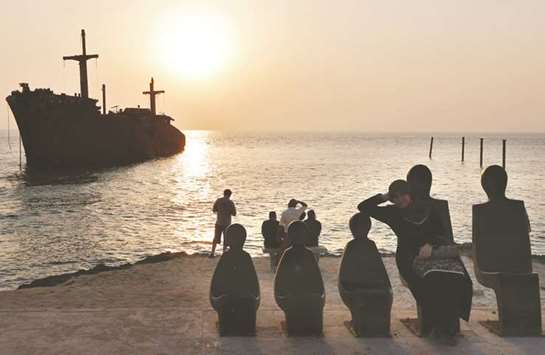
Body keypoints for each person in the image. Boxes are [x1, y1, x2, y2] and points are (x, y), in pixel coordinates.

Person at [358, 180, 471, 345]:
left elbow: (441, 232)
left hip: (434, 251)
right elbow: (363, 207)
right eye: (396, 197)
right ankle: (438, 327)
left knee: (455, 276)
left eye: (403, 195)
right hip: (408, 256)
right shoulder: (392, 213)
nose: (401, 200)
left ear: (409, 193)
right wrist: (385, 196)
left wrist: (431, 245)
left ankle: (449, 327)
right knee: (430, 280)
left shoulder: (427, 209)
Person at [210, 189, 237, 257]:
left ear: (224, 193)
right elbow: (234, 213)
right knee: (226, 239)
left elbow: (214, 210)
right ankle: (224, 254)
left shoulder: (218, 200)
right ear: (230, 195)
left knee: (215, 238)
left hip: (219, 222)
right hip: (227, 224)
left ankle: (212, 253)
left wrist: (220, 210)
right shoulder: (230, 202)